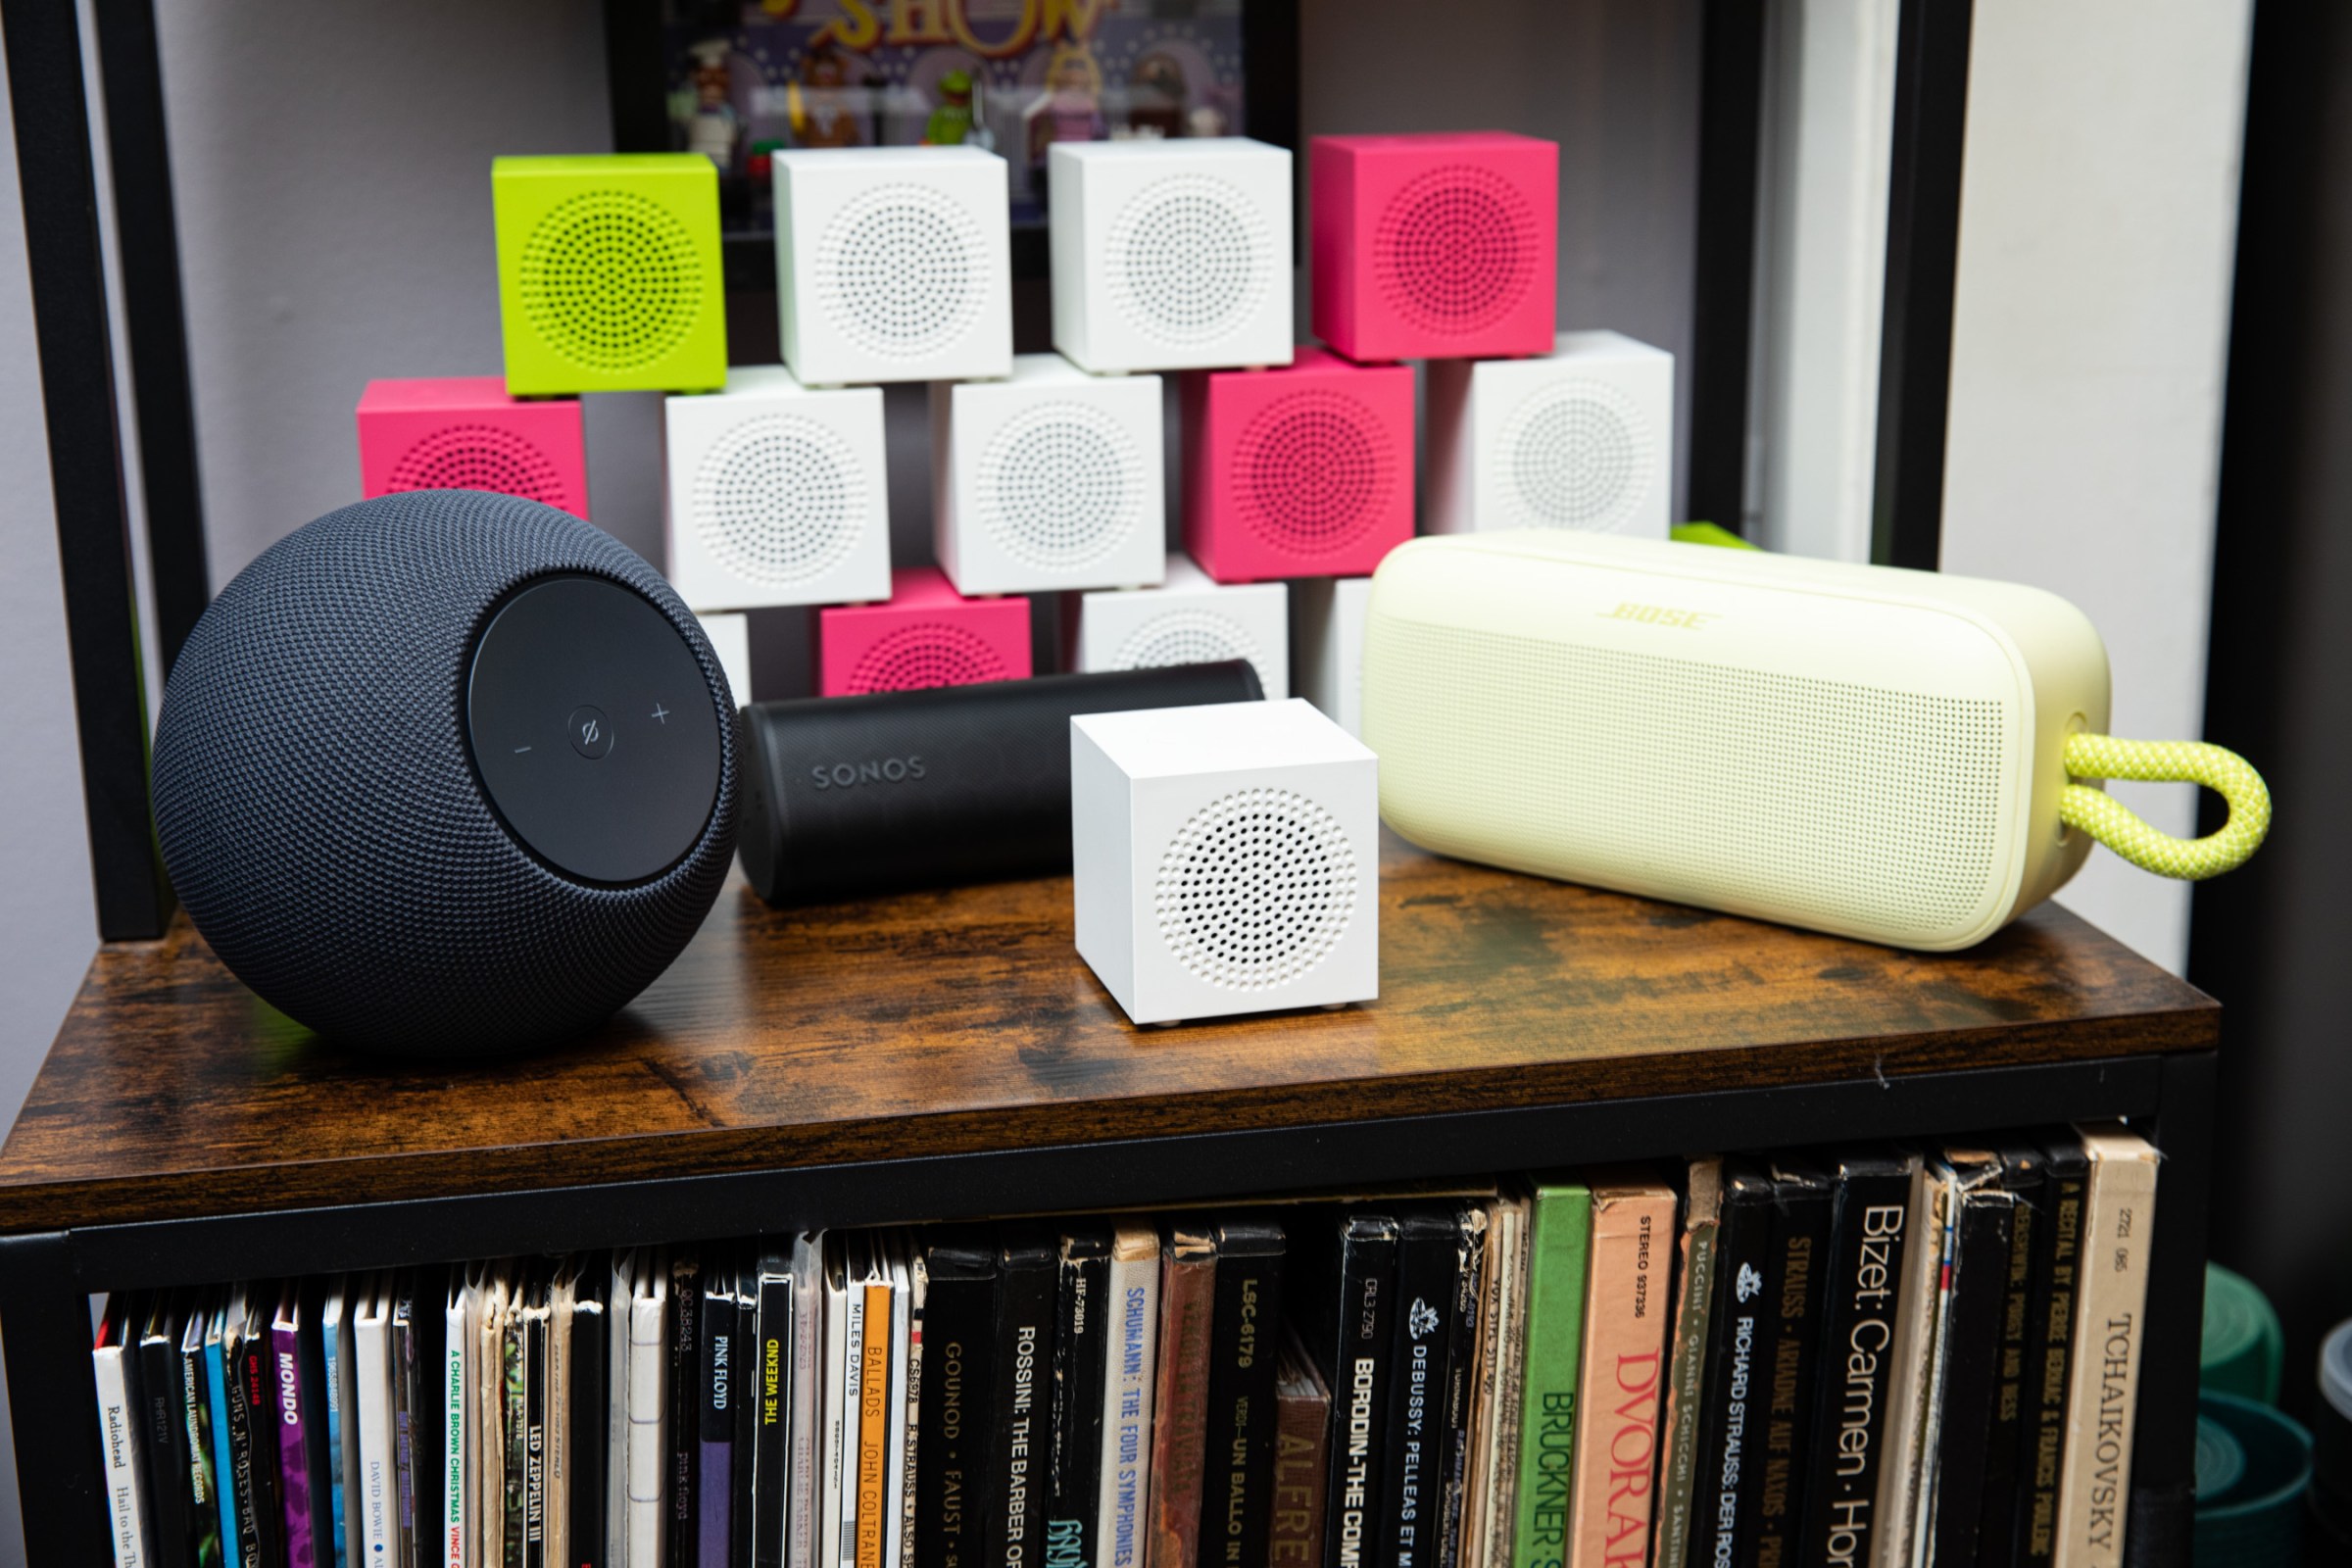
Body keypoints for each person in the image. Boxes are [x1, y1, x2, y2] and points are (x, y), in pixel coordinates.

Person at [925, 68, 976, 146]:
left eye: (963, 95)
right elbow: (933, 128)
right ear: (946, 94)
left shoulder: (970, 112)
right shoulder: (942, 112)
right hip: (942, 146)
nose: (958, 99)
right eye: (954, 95)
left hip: (965, 147)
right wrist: (932, 140)